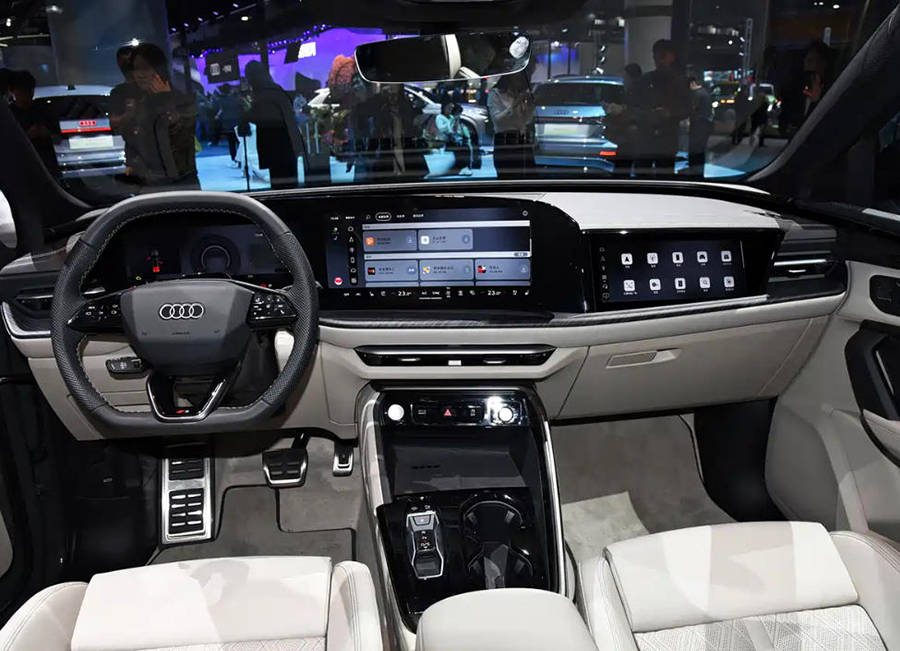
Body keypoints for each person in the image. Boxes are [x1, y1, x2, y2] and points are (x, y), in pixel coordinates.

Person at [129, 42, 199, 189]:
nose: (140, 74)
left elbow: (183, 139)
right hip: (149, 184)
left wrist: (165, 99)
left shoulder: (181, 100)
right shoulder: (138, 104)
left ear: (158, 69)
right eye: (136, 69)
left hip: (181, 183)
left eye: (146, 68)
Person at [241, 60, 306, 190]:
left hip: (277, 144)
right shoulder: (275, 91)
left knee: (280, 183)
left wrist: (246, 116)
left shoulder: (265, 94)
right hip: (282, 144)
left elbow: (268, 119)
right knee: (287, 183)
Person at [638, 39, 691, 176]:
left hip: (666, 138)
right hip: (647, 138)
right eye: (657, 56)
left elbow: (687, 108)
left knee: (663, 174)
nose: (659, 60)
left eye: (663, 55)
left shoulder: (680, 81)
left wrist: (670, 113)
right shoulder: (646, 80)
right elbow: (635, 105)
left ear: (672, 57)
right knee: (644, 175)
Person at [8, 70, 60, 175]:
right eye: (22, 90)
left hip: (46, 166)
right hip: (21, 167)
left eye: (29, 90)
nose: (27, 94)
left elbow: (58, 136)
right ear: (13, 91)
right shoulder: (10, 115)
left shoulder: (43, 110)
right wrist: (27, 136)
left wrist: (47, 133)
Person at [488, 71, 535, 180]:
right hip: (505, 140)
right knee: (507, 177)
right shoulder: (495, 94)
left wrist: (530, 105)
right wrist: (514, 104)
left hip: (521, 140)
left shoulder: (518, 94)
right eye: (517, 79)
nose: (519, 83)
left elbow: (525, 120)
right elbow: (497, 120)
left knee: (527, 177)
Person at [109, 45, 144, 179]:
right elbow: (113, 122)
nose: (127, 66)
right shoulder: (119, 92)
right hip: (135, 152)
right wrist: (128, 114)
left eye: (130, 61)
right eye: (123, 63)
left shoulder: (150, 86)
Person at [435, 102, 471, 176]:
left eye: (451, 108)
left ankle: (465, 167)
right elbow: (443, 129)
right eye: (448, 108)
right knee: (456, 145)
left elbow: (455, 130)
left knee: (465, 145)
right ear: (444, 108)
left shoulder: (452, 117)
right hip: (444, 139)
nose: (450, 110)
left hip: (453, 138)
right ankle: (460, 167)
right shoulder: (440, 117)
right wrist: (452, 122)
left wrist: (456, 121)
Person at [687, 76, 713, 177]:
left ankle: (694, 172)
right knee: (700, 150)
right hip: (704, 125)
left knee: (695, 149)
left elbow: (692, 110)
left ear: (692, 83)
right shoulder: (705, 93)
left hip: (697, 125)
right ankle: (699, 172)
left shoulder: (697, 94)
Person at [215, 84, 241, 163]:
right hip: (236, 122)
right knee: (239, 141)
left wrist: (218, 116)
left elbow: (220, 110)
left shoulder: (220, 100)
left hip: (227, 123)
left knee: (231, 142)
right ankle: (240, 157)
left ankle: (234, 158)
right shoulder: (236, 99)